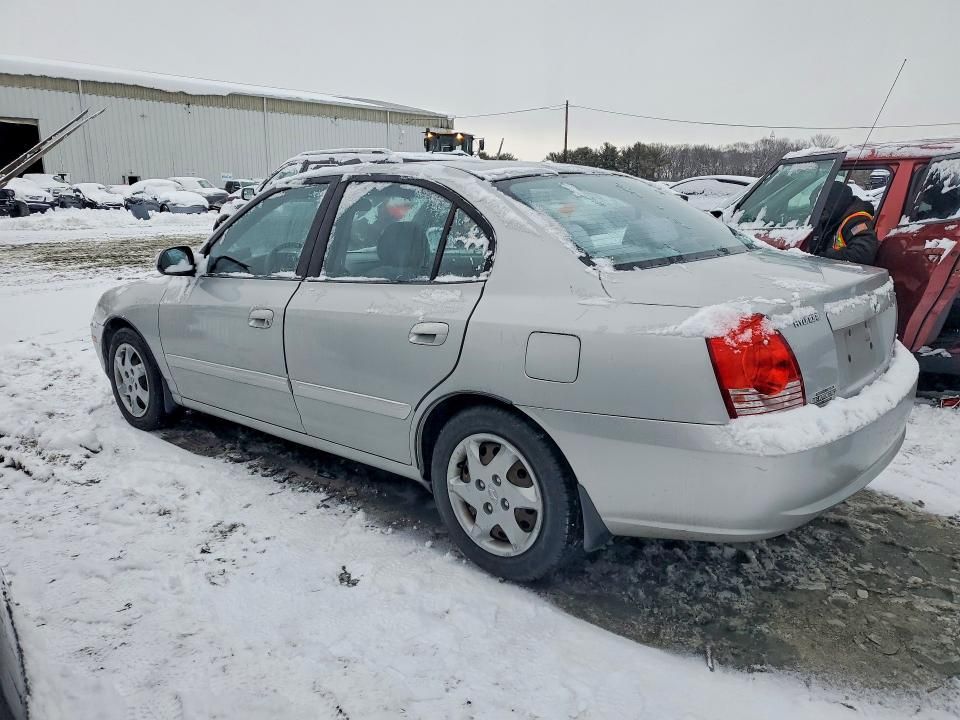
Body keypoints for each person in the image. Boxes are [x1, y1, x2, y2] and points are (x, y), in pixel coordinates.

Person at [811, 181, 879, 264]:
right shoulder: (829, 219)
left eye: (821, 206)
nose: (817, 210)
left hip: (846, 274)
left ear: (835, 202)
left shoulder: (857, 221)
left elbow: (862, 255)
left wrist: (825, 256)